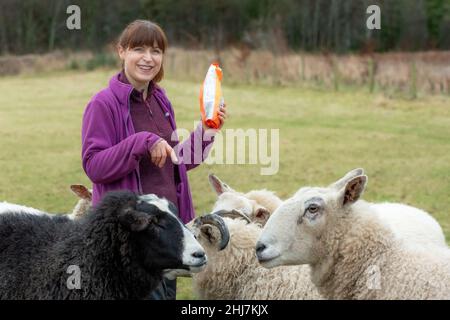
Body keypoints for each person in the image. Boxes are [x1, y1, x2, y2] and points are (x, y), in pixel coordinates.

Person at [81, 20, 226, 299]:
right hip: (129, 240)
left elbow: (175, 161)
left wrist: (206, 132)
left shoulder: (160, 101)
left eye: (156, 51)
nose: (148, 58)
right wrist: (142, 141)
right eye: (139, 49)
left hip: (165, 234)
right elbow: (94, 166)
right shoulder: (102, 104)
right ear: (121, 51)